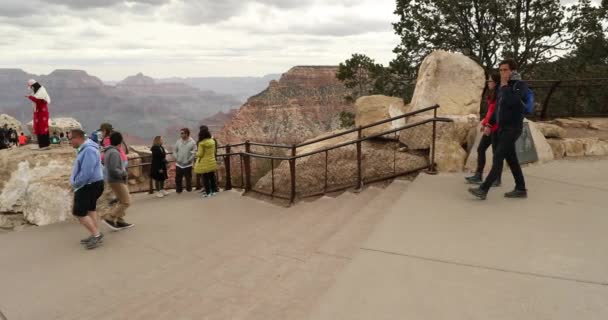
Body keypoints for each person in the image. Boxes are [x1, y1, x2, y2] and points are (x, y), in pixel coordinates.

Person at [469, 59, 528, 200]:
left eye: (505, 70)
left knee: (498, 157)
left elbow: (513, 102)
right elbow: (498, 109)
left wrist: (506, 86)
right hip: (502, 128)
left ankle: (483, 189)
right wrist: (490, 124)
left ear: (513, 71)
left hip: (513, 128)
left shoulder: (520, 85)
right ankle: (521, 189)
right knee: (512, 160)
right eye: (500, 70)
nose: (502, 73)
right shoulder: (502, 87)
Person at [69, 129, 105, 250]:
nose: (70, 142)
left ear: (78, 138)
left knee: (79, 212)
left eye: (71, 139)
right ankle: (95, 233)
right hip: (93, 183)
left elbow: (86, 172)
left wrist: (76, 183)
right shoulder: (87, 148)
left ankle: (96, 235)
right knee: (91, 209)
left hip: (88, 185)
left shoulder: (88, 150)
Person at [465, 73, 502, 186]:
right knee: (481, 149)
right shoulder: (492, 94)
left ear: (495, 83)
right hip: (489, 127)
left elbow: (496, 112)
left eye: (490, 81)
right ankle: (478, 174)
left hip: (496, 129)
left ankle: (497, 179)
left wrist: (489, 125)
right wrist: (485, 123)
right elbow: (490, 111)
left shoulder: (500, 94)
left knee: (497, 154)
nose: (488, 83)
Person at [101, 131, 134, 231]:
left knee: (121, 200)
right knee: (126, 201)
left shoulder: (109, 151)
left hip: (113, 180)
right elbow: (113, 169)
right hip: (117, 180)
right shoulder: (114, 152)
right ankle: (110, 217)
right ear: (120, 141)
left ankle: (120, 220)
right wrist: (123, 174)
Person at [194, 126, 218, 198]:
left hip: (204, 163)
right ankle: (213, 191)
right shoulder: (212, 141)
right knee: (212, 177)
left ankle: (208, 193)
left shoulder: (201, 143)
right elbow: (214, 151)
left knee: (205, 178)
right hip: (212, 161)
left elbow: (200, 154)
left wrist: (195, 153)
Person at [26, 79, 51, 149]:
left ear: (34, 86)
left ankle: (44, 145)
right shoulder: (37, 91)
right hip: (38, 112)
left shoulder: (41, 91)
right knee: (39, 127)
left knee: (42, 127)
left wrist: (30, 97)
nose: (31, 89)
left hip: (42, 112)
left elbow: (39, 101)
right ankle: (42, 144)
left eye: (31, 87)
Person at [174, 128, 197, 194]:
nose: (180, 135)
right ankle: (178, 190)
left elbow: (194, 152)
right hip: (179, 164)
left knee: (188, 178)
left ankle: (189, 190)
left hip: (188, 164)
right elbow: (174, 150)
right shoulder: (178, 141)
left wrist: (189, 160)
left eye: (182, 133)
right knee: (178, 179)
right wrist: (177, 158)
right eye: (181, 133)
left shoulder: (192, 142)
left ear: (186, 134)